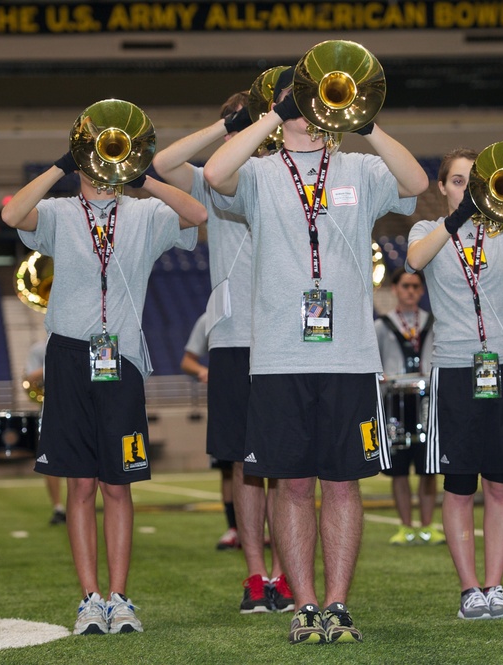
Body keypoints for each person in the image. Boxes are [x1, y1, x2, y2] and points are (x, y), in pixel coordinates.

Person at [204, 66, 428, 643]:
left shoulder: (358, 167)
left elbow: (417, 180)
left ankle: (337, 604)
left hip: (350, 353)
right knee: (292, 484)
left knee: (345, 483)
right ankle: (303, 604)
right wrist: (273, 117)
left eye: (313, 99)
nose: (309, 108)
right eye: (298, 99)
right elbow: (214, 171)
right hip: (278, 354)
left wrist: (365, 122)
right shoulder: (258, 172)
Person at [1, 146, 207, 635]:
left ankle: (119, 598)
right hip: (70, 354)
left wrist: (143, 177)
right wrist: (60, 165)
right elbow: (11, 213)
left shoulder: (145, 212)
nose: (102, 166)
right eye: (93, 156)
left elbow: (197, 213)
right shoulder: (57, 212)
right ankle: (89, 599)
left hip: (123, 355)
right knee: (80, 483)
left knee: (118, 483)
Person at [154, 90, 293, 615]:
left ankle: (286, 573)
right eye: (241, 123)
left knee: (285, 463)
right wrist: (222, 128)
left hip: (284, 338)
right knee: (242, 462)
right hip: (235, 338)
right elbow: (163, 163)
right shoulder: (215, 180)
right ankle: (256, 576)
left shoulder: (281, 173)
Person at [406, 147, 503, 621]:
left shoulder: (501, 234)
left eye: (475, 181)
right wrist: (459, 217)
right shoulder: (427, 231)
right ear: (443, 187)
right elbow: (413, 261)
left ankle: (495, 586)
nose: (468, 189)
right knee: (460, 484)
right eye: (460, 181)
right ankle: (469, 590)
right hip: (455, 368)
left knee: (502, 484)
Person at [373, 267, 444, 546]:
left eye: (416, 286)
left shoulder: (435, 323)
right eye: (405, 286)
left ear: (422, 290)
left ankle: (428, 526)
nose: (411, 291)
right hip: (395, 403)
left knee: (428, 468)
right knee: (399, 470)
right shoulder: (381, 326)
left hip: (426, 402)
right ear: (395, 289)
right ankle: (405, 526)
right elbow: (374, 365)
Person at [179, 311, 241, 552]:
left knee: (264, 469)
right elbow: (187, 360)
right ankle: (234, 527)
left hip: (258, 396)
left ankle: (261, 529)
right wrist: (203, 371)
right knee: (227, 468)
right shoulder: (211, 317)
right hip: (225, 401)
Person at [24, 338, 66, 525]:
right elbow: (29, 379)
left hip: (82, 406)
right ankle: (58, 507)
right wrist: (55, 364)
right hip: (52, 409)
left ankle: (79, 504)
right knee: (50, 460)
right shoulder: (39, 349)